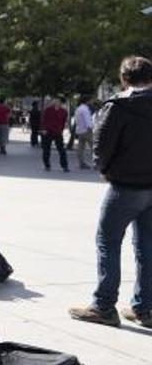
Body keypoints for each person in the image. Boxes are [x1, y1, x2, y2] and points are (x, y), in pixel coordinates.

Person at [70, 56, 152, 328]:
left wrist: (104, 169)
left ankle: (104, 306)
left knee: (107, 242)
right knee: (147, 248)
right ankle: (144, 307)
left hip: (125, 186)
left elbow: (101, 144)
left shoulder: (118, 105)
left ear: (124, 78)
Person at [40, 98, 70, 172]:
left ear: (60, 103)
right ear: (53, 102)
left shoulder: (63, 111)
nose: (56, 103)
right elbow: (43, 120)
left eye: (58, 102)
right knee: (46, 149)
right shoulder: (48, 110)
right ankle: (47, 165)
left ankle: (65, 166)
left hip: (58, 132)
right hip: (48, 131)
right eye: (55, 102)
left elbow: (64, 122)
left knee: (62, 150)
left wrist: (62, 130)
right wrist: (43, 129)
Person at [74, 97, 95, 170]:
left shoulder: (78, 108)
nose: (92, 101)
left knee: (81, 148)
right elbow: (87, 121)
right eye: (91, 100)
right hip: (87, 130)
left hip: (80, 130)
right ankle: (96, 163)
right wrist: (92, 127)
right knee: (94, 147)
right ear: (87, 101)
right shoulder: (85, 109)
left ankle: (81, 163)